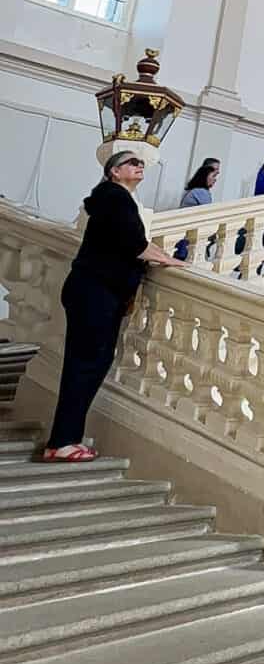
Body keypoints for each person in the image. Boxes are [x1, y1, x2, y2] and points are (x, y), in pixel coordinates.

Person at [44, 151, 175, 461]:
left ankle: (63, 440)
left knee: (88, 363)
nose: (139, 165)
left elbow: (134, 240)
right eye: (131, 162)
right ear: (115, 172)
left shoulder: (114, 198)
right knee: (86, 364)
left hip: (95, 290)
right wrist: (165, 259)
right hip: (95, 291)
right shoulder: (115, 197)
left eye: (141, 163)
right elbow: (134, 242)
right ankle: (62, 442)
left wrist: (164, 256)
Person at [174, 160, 219, 262]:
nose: (215, 180)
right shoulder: (201, 192)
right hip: (188, 235)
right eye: (213, 176)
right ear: (204, 177)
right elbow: (209, 214)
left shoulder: (193, 190)